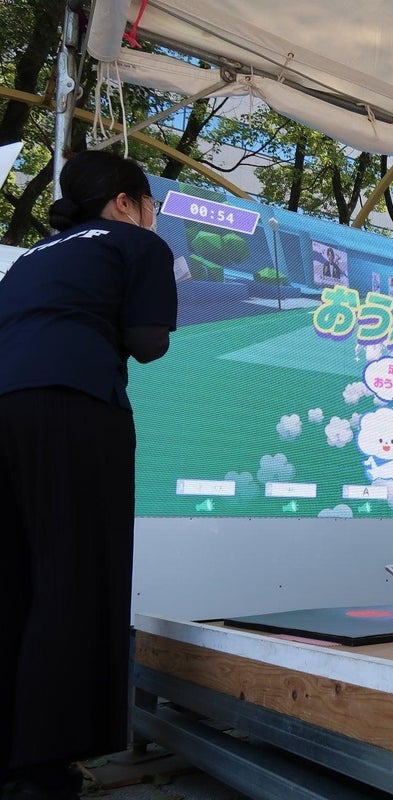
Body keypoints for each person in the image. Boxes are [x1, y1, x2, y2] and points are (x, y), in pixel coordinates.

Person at [0, 151, 177, 799]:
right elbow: (149, 342)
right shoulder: (136, 243)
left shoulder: (30, 258)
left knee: (13, 581)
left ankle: (10, 756)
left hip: (4, 405)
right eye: (152, 204)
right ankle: (45, 769)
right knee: (74, 578)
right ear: (126, 201)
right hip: (74, 405)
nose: (153, 216)